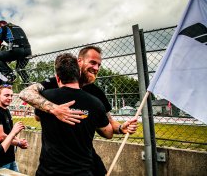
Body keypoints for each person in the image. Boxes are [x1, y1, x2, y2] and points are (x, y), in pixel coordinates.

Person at [19, 46, 138, 175]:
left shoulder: (96, 94)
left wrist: (120, 128)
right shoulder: (55, 82)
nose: (96, 68)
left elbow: (109, 125)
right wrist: (55, 109)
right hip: (55, 162)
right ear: (79, 61)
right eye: (93, 62)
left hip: (84, 160)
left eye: (99, 65)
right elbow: (26, 93)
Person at [35, 53, 113, 175]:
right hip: (81, 172)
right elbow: (108, 133)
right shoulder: (95, 103)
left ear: (57, 78)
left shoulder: (45, 97)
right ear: (79, 74)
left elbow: (37, 117)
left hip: (47, 172)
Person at [0, 84, 28, 172]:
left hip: (10, 159)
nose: (10, 98)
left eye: (11, 95)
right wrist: (18, 143)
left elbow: (9, 132)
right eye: (6, 95)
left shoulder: (6, 110)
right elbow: (1, 137)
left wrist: (19, 140)